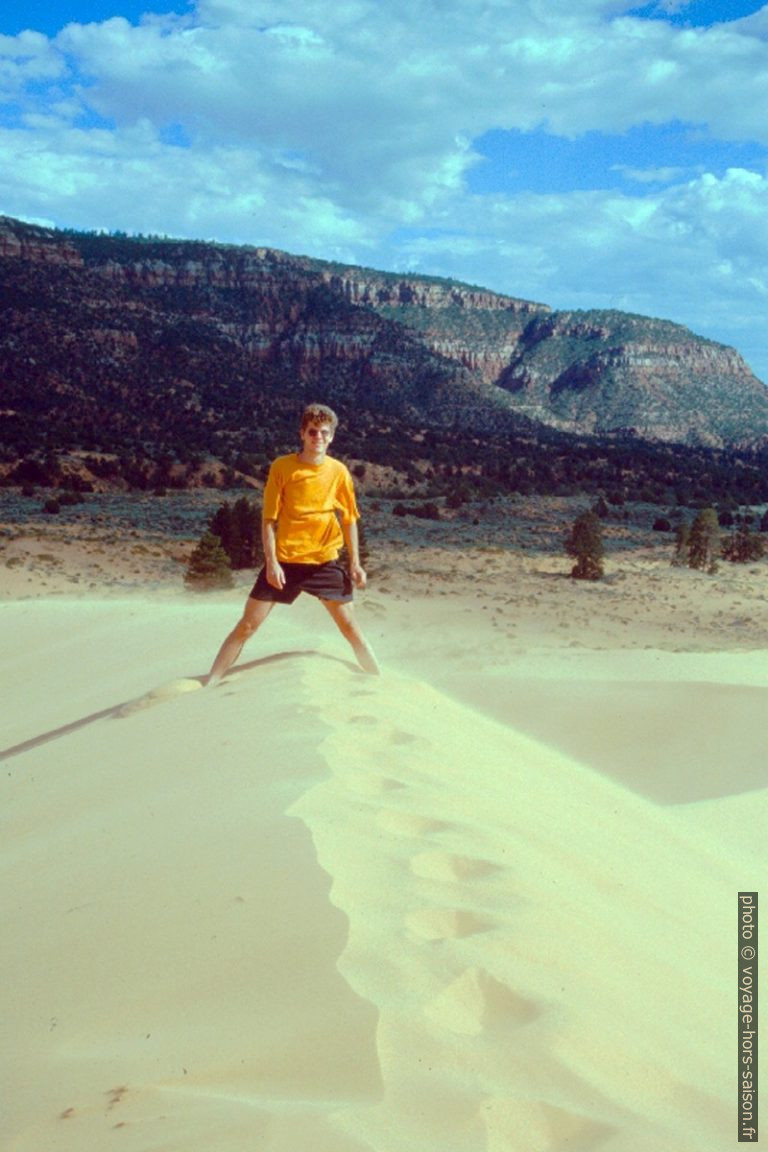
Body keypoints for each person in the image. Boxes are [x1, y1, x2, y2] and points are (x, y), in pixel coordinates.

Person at [206, 403, 380, 684]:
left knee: (350, 628)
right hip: (285, 563)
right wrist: (272, 563)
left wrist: (355, 564)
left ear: (332, 436)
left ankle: (377, 681)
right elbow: (268, 520)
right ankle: (211, 681)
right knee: (247, 626)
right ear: (302, 433)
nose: (318, 437)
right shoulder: (282, 467)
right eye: (312, 432)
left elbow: (349, 519)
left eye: (324, 432)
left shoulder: (338, 472)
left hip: (323, 562)